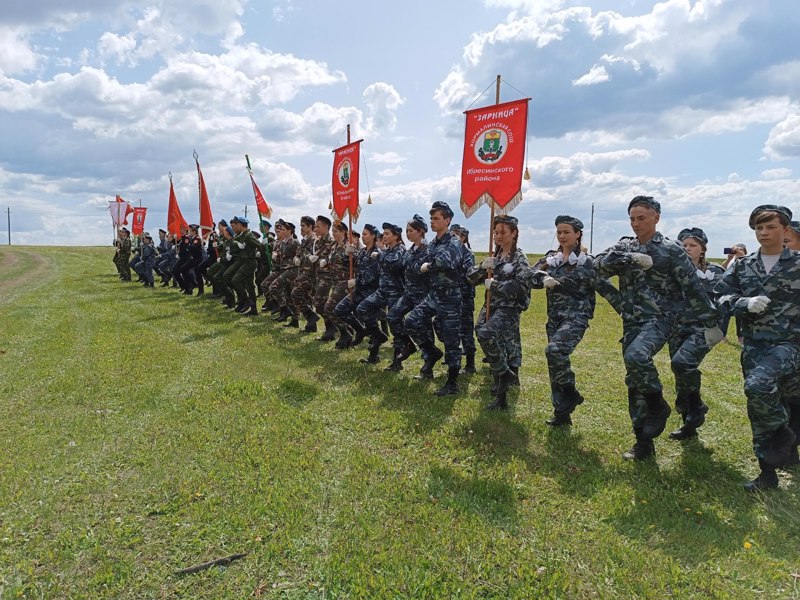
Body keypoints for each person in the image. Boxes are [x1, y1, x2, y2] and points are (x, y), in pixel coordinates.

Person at [594, 196, 720, 460]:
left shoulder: (672, 250)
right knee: (634, 378)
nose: (636, 224)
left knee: (636, 356)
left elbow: (693, 288)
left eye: (641, 218)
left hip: (661, 318)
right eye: (632, 218)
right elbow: (597, 267)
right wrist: (629, 259)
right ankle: (643, 441)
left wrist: (711, 323)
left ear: (656, 218)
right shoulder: (624, 245)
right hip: (632, 320)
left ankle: (657, 405)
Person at [715, 205, 800, 491]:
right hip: (754, 346)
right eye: (758, 228)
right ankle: (767, 473)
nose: (763, 233)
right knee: (759, 406)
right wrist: (743, 303)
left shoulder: (798, 264)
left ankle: (785, 438)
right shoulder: (743, 265)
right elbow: (720, 297)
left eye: (770, 227)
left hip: (790, 344)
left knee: (759, 387)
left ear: (785, 230)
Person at [527, 215, 621, 424]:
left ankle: (570, 392)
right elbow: (529, 275)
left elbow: (606, 289)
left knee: (555, 350)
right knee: (555, 362)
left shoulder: (588, 263)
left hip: (577, 317)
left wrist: (626, 312)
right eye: (559, 232)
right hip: (554, 317)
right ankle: (561, 413)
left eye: (566, 232)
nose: (561, 236)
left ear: (578, 234)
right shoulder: (550, 258)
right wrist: (542, 278)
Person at [666, 227, 726, 440]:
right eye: (683, 245)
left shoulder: (716, 272)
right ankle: (690, 421)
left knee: (682, 363)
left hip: (703, 329)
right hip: (676, 328)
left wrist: (721, 330)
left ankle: (695, 408)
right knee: (680, 374)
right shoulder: (671, 272)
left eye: (693, 245)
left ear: (702, 249)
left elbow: (726, 301)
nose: (687, 248)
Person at [467, 214, 531, 409]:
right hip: (491, 306)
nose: (498, 236)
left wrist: (495, 285)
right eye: (496, 232)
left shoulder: (519, 258)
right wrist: (482, 267)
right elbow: (470, 278)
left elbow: (521, 287)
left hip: (508, 308)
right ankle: (503, 379)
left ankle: (504, 374)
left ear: (514, 233)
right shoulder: (493, 257)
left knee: (489, 335)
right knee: (481, 331)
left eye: (503, 232)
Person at [406, 201, 464, 396]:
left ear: (447, 220)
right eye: (431, 218)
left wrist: (428, 266)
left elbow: (447, 261)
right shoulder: (432, 244)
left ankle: (452, 382)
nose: (432, 222)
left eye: (436, 218)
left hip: (450, 298)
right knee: (412, 321)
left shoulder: (454, 242)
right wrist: (424, 265)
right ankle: (431, 352)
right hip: (433, 295)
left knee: (451, 339)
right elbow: (415, 265)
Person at [355, 222, 406, 364]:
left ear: (396, 236)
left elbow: (395, 265)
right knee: (362, 308)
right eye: (383, 233)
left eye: (387, 233)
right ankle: (377, 336)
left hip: (395, 292)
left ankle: (397, 362)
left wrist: (381, 254)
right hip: (382, 291)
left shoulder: (400, 250)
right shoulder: (387, 250)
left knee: (395, 325)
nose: (384, 236)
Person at [386, 215, 431, 373]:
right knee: (392, 316)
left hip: (423, 294)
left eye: (410, 231)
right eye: (406, 231)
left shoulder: (429, 249)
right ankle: (408, 345)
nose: (407, 234)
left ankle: (428, 363)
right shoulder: (410, 250)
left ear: (420, 232)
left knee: (423, 327)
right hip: (409, 293)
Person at [334, 224, 381, 349]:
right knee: (340, 309)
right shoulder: (363, 251)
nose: (363, 236)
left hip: (371, 292)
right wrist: (347, 253)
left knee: (370, 321)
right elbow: (351, 262)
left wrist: (356, 280)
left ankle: (374, 352)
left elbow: (371, 274)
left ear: (373, 236)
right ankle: (360, 330)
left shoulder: (376, 253)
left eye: (365, 234)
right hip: (359, 290)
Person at [450, 224, 477, 374]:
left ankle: (470, 364)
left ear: (463, 237)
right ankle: (455, 357)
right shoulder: (451, 252)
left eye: (455, 236)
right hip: (452, 297)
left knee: (466, 331)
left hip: (464, 297)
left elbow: (466, 274)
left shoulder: (468, 254)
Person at [323, 221, 356, 347]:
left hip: (345, 282)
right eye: (332, 231)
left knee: (329, 308)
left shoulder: (349, 246)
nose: (333, 234)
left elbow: (356, 263)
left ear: (344, 232)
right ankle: (347, 332)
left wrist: (351, 254)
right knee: (339, 310)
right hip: (335, 281)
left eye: (335, 231)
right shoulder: (334, 246)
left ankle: (345, 331)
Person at [290, 216, 318, 330]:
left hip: (311, 273)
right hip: (303, 271)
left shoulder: (315, 240)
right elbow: (298, 253)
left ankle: (312, 315)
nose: (301, 228)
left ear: (310, 226)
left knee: (295, 293)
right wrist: (296, 257)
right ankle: (311, 325)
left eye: (303, 226)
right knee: (306, 298)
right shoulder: (304, 240)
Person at [310, 216, 336, 335]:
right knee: (322, 303)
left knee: (318, 302)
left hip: (327, 275)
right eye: (315, 226)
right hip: (318, 274)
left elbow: (334, 257)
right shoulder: (318, 241)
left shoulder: (332, 241)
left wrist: (325, 260)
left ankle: (333, 325)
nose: (315, 229)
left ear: (326, 227)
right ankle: (330, 327)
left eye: (318, 226)